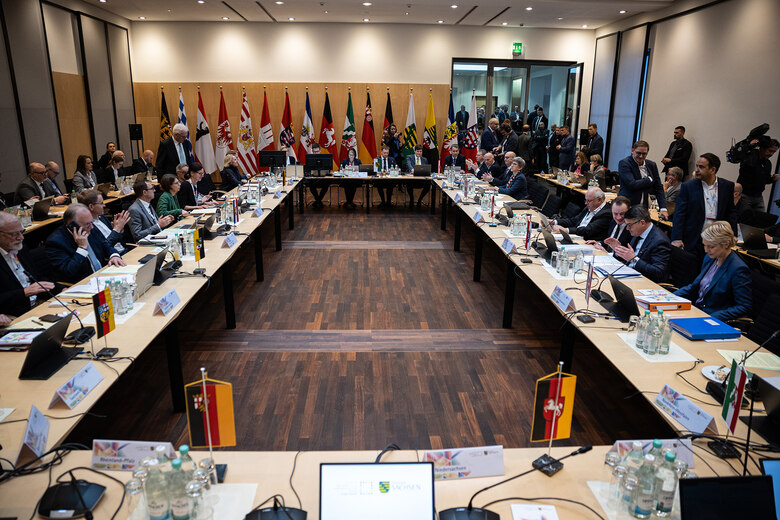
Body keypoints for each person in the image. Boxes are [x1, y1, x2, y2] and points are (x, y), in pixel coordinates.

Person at [674, 221, 751, 321]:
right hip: (696, 311)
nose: (706, 250)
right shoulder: (709, 258)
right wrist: (671, 297)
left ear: (726, 244)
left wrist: (713, 317)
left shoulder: (738, 269)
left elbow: (744, 306)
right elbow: (695, 286)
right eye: (704, 245)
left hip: (712, 318)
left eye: (711, 246)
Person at [671, 153, 737, 258]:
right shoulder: (688, 187)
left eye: (701, 167)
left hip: (716, 241)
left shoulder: (727, 186)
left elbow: (731, 212)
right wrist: (676, 238)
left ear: (712, 170)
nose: (696, 170)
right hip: (693, 239)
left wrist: (733, 234)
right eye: (697, 166)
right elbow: (679, 214)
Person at [45, 203, 125, 283]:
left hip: (103, 276)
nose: (92, 227)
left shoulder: (90, 228)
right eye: (87, 224)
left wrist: (114, 256)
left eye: (91, 222)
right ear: (72, 225)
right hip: (83, 284)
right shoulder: (55, 242)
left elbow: (105, 244)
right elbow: (68, 271)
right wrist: (81, 248)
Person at [0, 212, 56, 317]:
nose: (21, 237)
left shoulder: (20, 248)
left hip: (39, 303)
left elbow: (37, 278)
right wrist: (24, 293)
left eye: (21, 232)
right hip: (13, 314)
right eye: (14, 234)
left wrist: (61, 289)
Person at [605, 205, 670, 283]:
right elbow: (630, 257)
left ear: (642, 223)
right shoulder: (638, 232)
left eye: (629, 225)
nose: (627, 228)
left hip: (644, 282)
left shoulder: (659, 241)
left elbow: (658, 272)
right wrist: (619, 250)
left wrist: (633, 259)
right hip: (628, 275)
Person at [617, 140, 667, 218]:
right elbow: (632, 184)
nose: (641, 156)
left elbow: (658, 187)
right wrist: (648, 180)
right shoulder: (624, 163)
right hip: (627, 206)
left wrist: (663, 209)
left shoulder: (651, 165)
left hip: (643, 208)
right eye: (638, 153)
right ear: (632, 151)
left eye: (644, 154)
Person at [77, 189, 131, 255]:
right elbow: (104, 249)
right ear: (91, 206)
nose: (104, 205)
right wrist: (116, 230)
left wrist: (120, 229)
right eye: (101, 203)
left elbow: (120, 240)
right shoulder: (88, 227)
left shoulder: (102, 217)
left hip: (124, 250)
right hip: (113, 257)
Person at [736, 138, 779, 211]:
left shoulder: (767, 163)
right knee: (744, 219)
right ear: (762, 148)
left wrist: (772, 179)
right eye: (770, 150)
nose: (771, 154)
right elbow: (751, 166)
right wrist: (755, 149)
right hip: (744, 195)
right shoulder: (749, 158)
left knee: (761, 220)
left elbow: (765, 180)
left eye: (774, 152)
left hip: (758, 196)